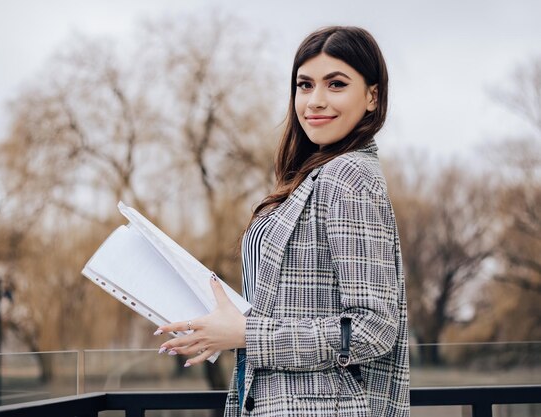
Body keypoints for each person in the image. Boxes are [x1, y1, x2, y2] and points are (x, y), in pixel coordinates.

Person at [154, 26, 410, 417]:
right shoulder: (316, 175)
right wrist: (223, 322)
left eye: (336, 84)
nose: (315, 101)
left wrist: (246, 333)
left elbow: (374, 329)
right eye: (304, 85)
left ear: (372, 96)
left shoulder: (348, 178)